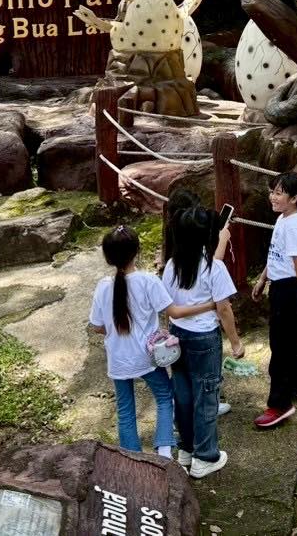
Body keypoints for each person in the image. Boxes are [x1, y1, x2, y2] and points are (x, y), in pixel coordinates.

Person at [90, 225, 215, 456]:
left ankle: (132, 459)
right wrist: (211, 305)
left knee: (125, 410)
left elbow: (97, 326)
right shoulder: (148, 281)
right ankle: (164, 453)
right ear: (137, 251)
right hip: (146, 356)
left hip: (118, 359)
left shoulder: (103, 286)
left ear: (108, 257)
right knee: (165, 396)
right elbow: (174, 312)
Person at [162, 206, 245, 478]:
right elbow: (224, 309)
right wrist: (235, 342)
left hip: (177, 335)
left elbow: (168, 305)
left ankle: (186, 450)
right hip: (205, 339)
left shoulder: (172, 265)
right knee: (206, 397)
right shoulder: (214, 268)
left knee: (183, 395)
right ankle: (205, 456)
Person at [251, 170, 297, 429]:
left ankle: (280, 404)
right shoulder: (283, 218)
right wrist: (262, 278)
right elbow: (276, 254)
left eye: (279, 193)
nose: (272, 197)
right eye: (272, 191)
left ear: (295, 198)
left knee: (281, 347)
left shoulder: (294, 225)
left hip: (289, 289)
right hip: (282, 284)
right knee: (295, 339)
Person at [164, 188, 235, 417]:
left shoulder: (175, 251)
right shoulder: (188, 250)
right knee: (204, 384)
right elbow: (211, 268)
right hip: (201, 330)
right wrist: (235, 341)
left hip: (178, 329)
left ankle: (186, 425)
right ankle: (204, 420)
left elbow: (207, 267)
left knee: (184, 381)